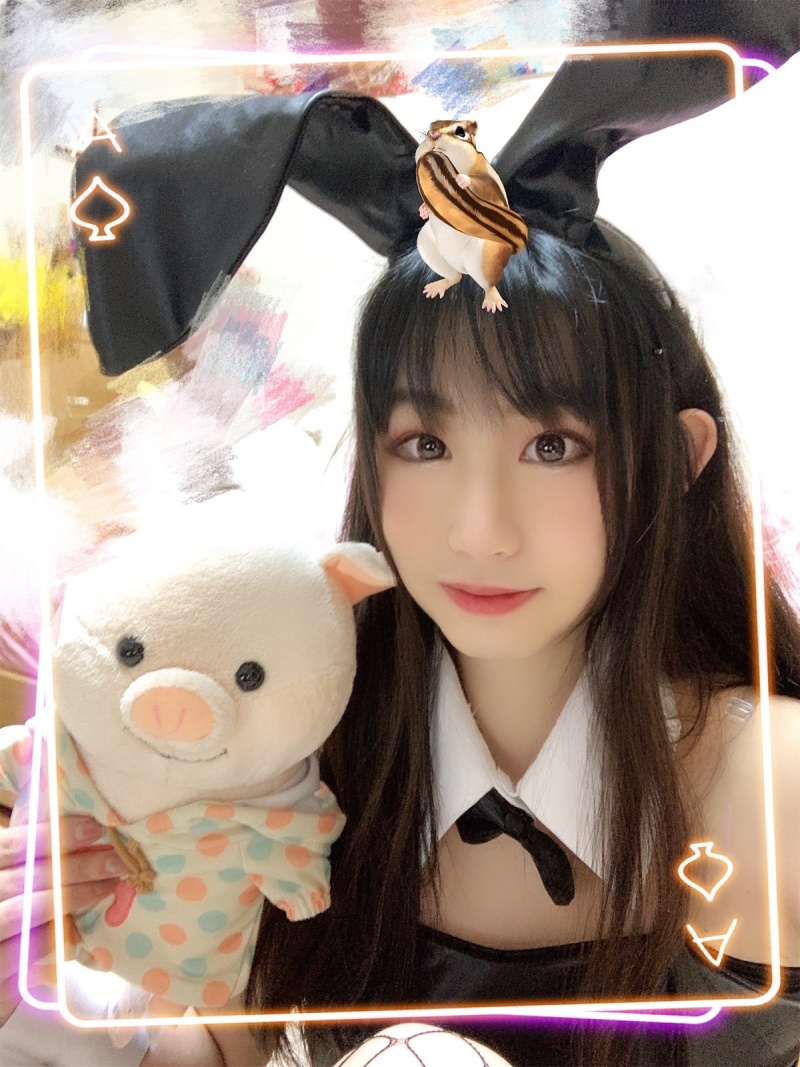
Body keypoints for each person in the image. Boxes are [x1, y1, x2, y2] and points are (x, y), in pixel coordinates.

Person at [3, 119, 800, 1067]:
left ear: (678, 458)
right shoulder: (308, 753)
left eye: (553, 445)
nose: (479, 530)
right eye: (425, 443)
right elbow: (219, 1043)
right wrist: (39, 999)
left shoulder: (772, 789)